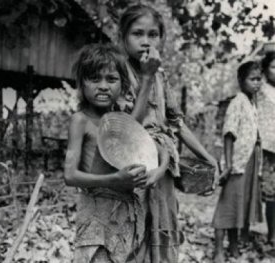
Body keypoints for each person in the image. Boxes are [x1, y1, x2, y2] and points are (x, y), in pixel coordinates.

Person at [117, 4, 219, 262]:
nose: (145, 41)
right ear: (122, 37)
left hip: (163, 170)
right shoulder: (117, 74)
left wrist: (209, 157)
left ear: (161, 38)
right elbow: (128, 129)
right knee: (135, 232)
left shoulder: (161, 76)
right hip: (134, 168)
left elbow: (176, 123)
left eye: (153, 35)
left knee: (163, 226)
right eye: (137, 34)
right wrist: (147, 77)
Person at [63, 43, 170, 263]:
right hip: (95, 212)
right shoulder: (81, 120)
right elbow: (70, 176)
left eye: (111, 79)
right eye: (94, 79)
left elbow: (155, 146)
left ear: (122, 85)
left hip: (126, 213)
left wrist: (159, 171)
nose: (103, 86)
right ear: (82, 84)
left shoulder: (119, 121)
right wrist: (113, 179)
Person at [212, 61, 263, 263]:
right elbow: (229, 134)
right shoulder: (238, 102)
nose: (257, 83)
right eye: (252, 79)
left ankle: (233, 246)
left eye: (259, 79)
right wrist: (229, 164)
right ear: (241, 81)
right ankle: (218, 250)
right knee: (227, 206)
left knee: (239, 206)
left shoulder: (251, 103)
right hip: (237, 164)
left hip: (249, 162)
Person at [258, 51, 275, 246]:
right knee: (271, 194)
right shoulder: (259, 90)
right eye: (273, 67)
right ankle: (272, 233)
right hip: (267, 149)